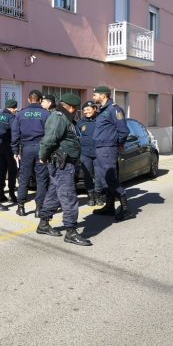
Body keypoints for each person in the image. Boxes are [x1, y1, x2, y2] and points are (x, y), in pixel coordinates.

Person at [37, 93, 92, 246]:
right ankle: (71, 231)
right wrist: (43, 156)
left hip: (64, 163)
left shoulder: (65, 117)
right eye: (76, 109)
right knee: (68, 197)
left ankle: (43, 224)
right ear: (72, 107)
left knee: (54, 194)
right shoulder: (59, 117)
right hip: (62, 164)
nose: (77, 111)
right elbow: (49, 139)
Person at [91, 86, 134, 221]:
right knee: (103, 179)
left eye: (95, 94)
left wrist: (119, 144)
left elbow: (123, 131)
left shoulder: (114, 109)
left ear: (103, 96)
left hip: (108, 148)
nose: (93, 97)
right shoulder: (103, 110)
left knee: (110, 178)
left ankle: (126, 208)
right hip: (100, 148)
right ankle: (109, 206)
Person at [11, 90, 50, 217]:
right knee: (41, 179)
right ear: (40, 100)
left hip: (26, 149)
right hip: (41, 148)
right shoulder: (46, 114)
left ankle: (21, 207)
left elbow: (15, 133)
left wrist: (15, 150)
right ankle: (39, 208)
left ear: (29, 99)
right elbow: (50, 134)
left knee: (24, 178)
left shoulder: (20, 114)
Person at [77, 100, 104, 206]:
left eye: (88, 109)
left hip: (98, 152)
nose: (86, 112)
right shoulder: (81, 122)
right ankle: (91, 197)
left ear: (95, 109)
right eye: (84, 110)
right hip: (85, 153)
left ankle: (98, 196)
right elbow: (77, 136)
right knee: (87, 176)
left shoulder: (101, 120)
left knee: (99, 175)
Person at [0, 99, 18, 203]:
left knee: (2, 170)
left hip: (1, 146)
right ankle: (12, 194)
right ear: (13, 108)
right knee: (12, 171)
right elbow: (15, 132)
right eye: (15, 108)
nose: (16, 110)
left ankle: (1, 193)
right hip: (10, 146)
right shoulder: (12, 117)